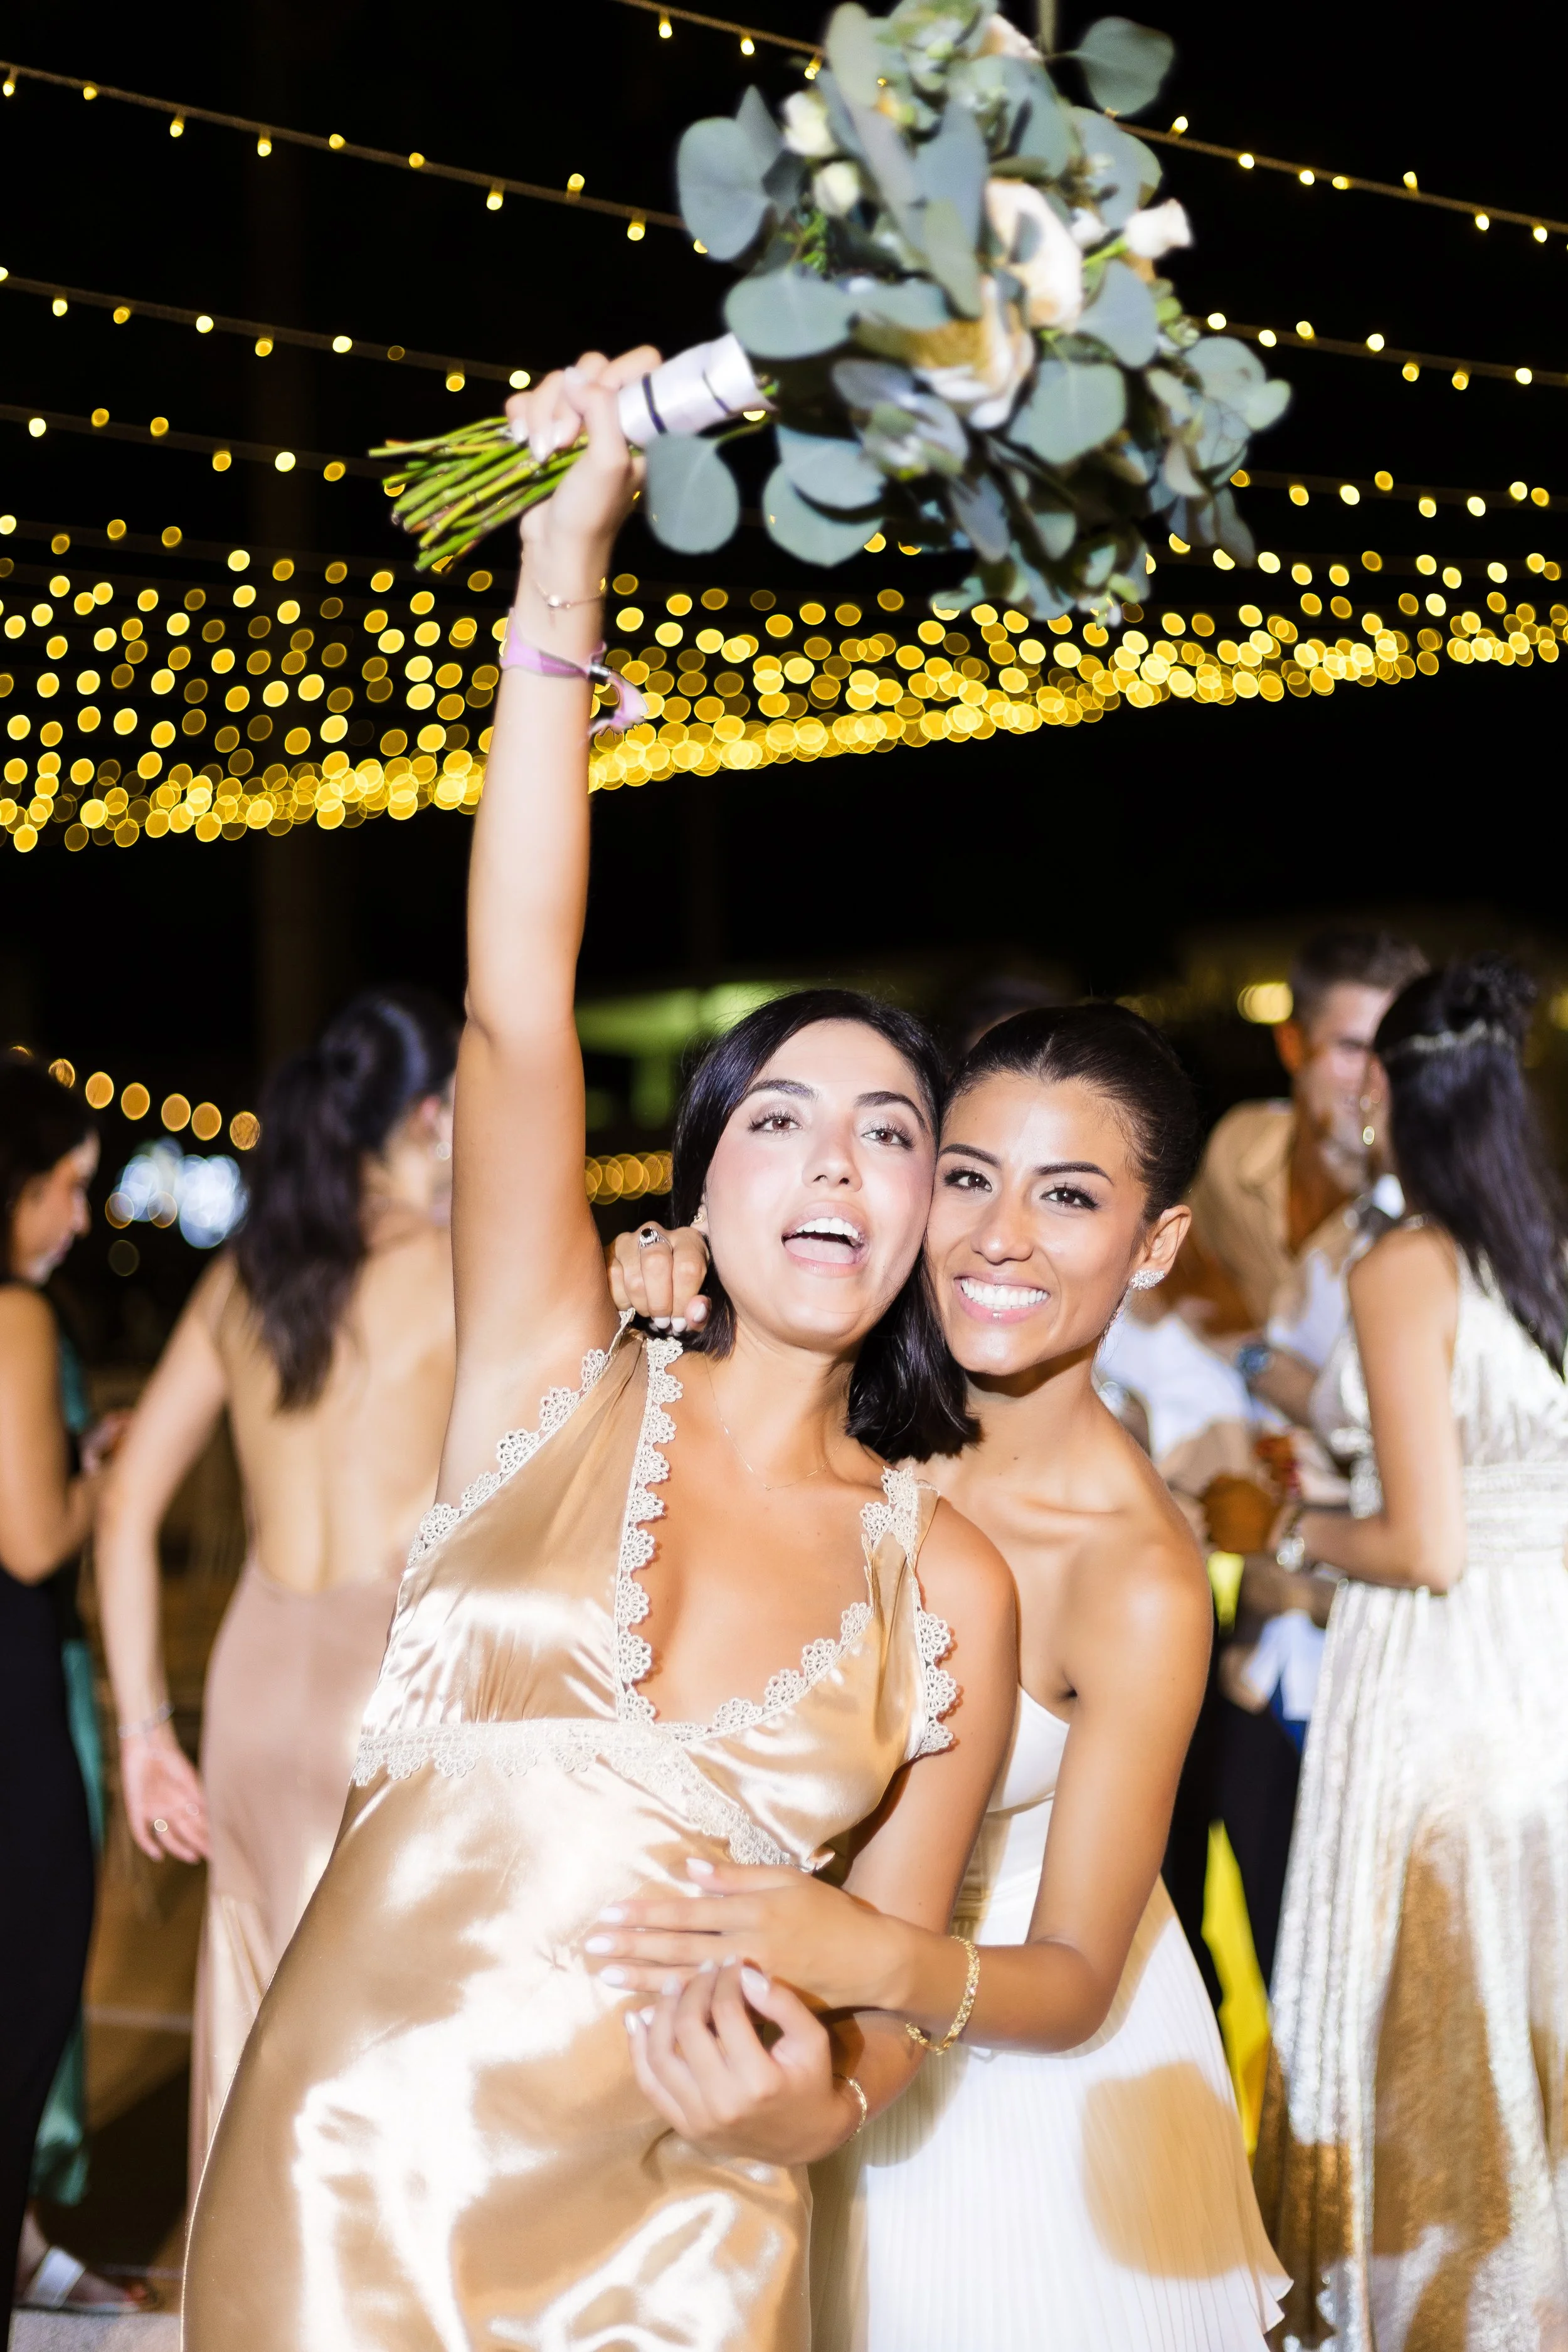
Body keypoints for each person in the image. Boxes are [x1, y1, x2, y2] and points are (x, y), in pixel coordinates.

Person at [180, 347, 1016, 2352]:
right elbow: (515, 1006)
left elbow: (891, 1993)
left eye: (893, 1132)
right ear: (703, 1180)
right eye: (783, 1119)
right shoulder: (553, 1372)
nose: (839, 1161)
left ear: (921, 1223)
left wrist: (806, 2098)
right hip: (350, 2176)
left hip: (689, 2235)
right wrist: (567, 562)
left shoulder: (948, 1578)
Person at [593, 1004, 1286, 2348]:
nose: (997, 1237)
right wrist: (671, 1261)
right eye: (965, 1176)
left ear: (1154, 1246)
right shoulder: (842, 1400)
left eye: (1068, 1196)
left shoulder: (1131, 1576)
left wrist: (855, 1951)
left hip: (1004, 2117)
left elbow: (1081, 1973)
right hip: (748, 2035)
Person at [95, 987, 458, 2189]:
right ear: (432, 1117)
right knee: (382, 2039)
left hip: (253, 1687)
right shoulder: (459, 1268)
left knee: (251, 2019)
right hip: (388, 1680)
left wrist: (146, 1730)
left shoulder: (248, 1272)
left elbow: (130, 1499)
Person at [1255, 953, 1568, 2348]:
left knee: (1438, 2027)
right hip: (1547, 1665)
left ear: (1391, 1094)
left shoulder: (1404, 1264)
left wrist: (1297, 1529)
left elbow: (1424, 1546)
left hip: (1446, 1686)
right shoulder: (1541, 1254)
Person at [1165, 926, 1427, 1991]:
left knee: (1375, 1970)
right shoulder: (1240, 1155)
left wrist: (1285, 1384)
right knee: (1252, 1933)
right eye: (1345, 1048)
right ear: (1293, 1047)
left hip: (1375, 1623)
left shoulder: (1417, 1213)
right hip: (1261, 1617)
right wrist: (1247, 1363)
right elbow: (1179, 1286)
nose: (1368, 1077)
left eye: (1390, 1050)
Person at [0, 1060, 137, 2314]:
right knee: (32, 1980)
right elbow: (35, 1538)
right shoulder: (16, 1314)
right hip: (15, 1692)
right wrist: (111, 1474)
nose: (78, 1219)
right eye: (65, 1187)